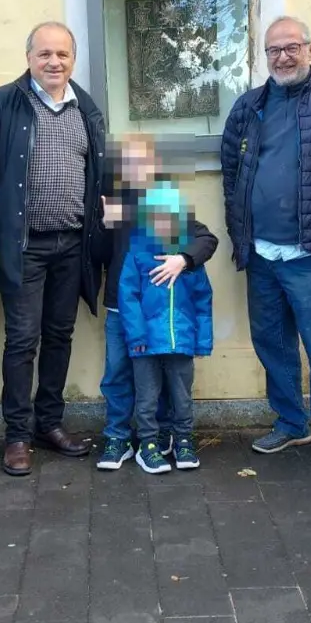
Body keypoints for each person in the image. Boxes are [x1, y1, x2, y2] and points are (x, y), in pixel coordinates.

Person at [0, 21, 108, 476]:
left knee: (60, 336)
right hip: (22, 247)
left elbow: (103, 177)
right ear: (28, 58)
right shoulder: (3, 104)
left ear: (73, 60)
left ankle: (50, 423)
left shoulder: (85, 107)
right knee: (22, 341)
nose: (54, 62)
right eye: (44, 54)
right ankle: (18, 435)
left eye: (62, 55)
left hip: (72, 245)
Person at [218, 16, 311, 469]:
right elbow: (232, 173)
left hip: (308, 252)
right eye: (274, 50)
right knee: (271, 341)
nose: (283, 56)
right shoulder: (249, 106)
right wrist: (241, 232)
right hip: (260, 251)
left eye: (291, 47)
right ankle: (291, 424)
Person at [96, 135, 218, 471]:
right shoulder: (110, 203)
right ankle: (117, 436)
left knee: (164, 376)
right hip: (120, 309)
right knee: (118, 374)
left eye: (143, 161)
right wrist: (101, 226)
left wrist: (183, 259)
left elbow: (206, 238)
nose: (137, 169)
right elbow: (93, 251)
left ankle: (160, 435)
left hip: (160, 312)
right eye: (129, 162)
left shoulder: (167, 203)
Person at [117, 183, 215, 474]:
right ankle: (148, 445)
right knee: (146, 397)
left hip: (181, 341)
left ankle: (183, 439)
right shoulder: (137, 254)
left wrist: (203, 341)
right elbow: (128, 296)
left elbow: (203, 300)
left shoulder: (190, 260)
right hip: (145, 344)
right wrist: (136, 336)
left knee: (182, 396)